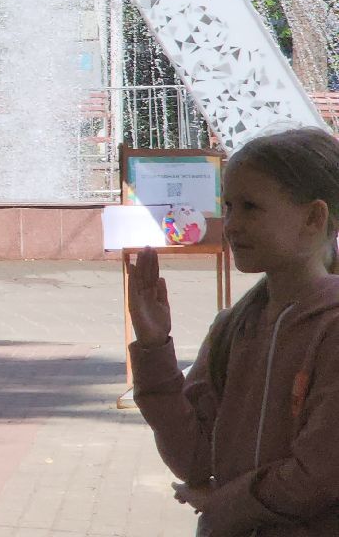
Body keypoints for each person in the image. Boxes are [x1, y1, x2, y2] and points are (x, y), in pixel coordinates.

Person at [128, 126, 339, 536]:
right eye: (227, 207)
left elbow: (321, 472)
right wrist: (154, 349)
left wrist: (227, 504)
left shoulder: (330, 328)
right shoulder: (235, 326)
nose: (231, 225)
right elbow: (193, 459)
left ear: (313, 217)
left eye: (250, 207)